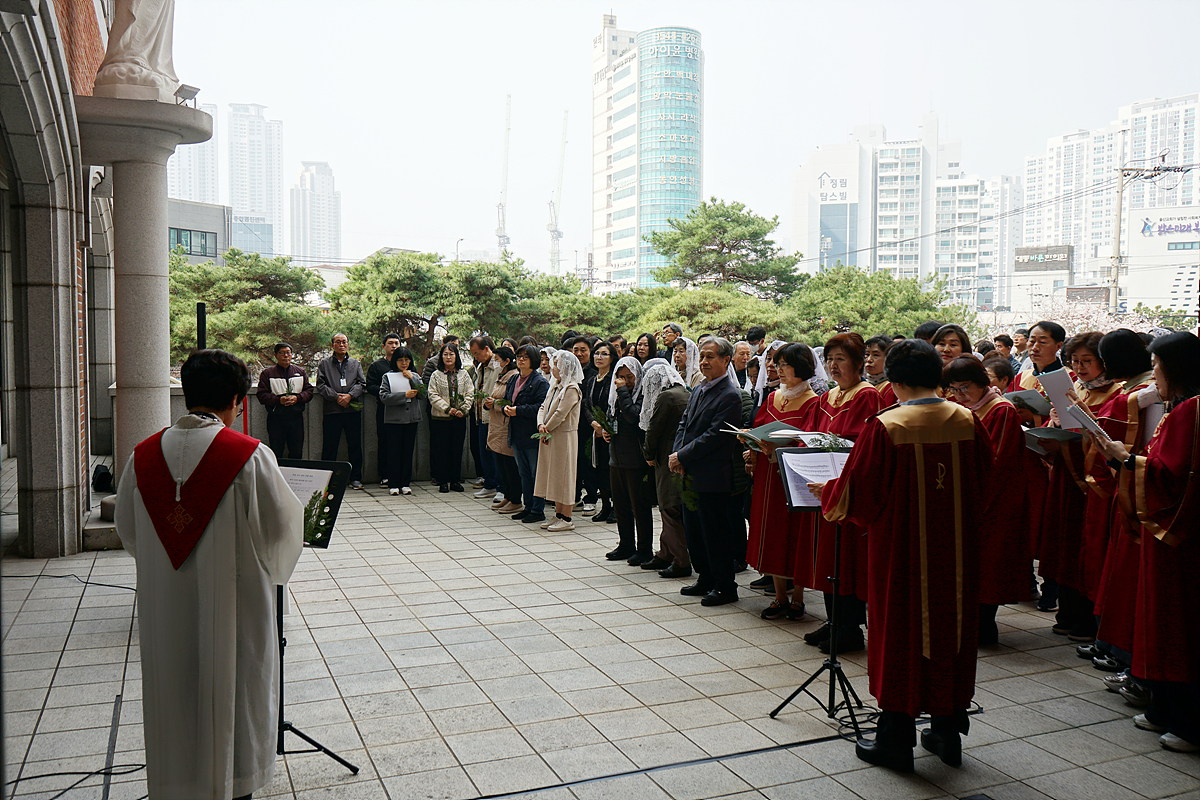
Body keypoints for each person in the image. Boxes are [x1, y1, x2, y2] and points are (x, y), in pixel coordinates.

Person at [114, 349, 303, 800]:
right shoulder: (250, 456)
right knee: (234, 694)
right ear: (236, 400)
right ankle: (234, 784)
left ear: (187, 395)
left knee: (174, 694)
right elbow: (282, 532)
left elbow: (128, 531)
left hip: (166, 607)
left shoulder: (142, 457)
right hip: (235, 609)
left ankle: (177, 782)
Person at [816, 339, 994, 772]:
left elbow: (860, 493)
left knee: (900, 635)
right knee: (951, 632)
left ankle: (895, 740)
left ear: (893, 380)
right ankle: (947, 732)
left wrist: (829, 492)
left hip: (902, 557)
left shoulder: (888, 425)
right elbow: (988, 482)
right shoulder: (967, 420)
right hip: (957, 553)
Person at [1088, 331, 1200, 753]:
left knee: (1175, 623)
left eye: (1157, 367)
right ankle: (1164, 708)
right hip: (1168, 533)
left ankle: (1185, 721)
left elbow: (1171, 476)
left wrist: (1126, 459)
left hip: (1176, 535)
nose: (1154, 375)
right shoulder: (1182, 408)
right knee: (1161, 620)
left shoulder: (1190, 410)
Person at [1036, 329, 1120, 642]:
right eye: (1074, 361)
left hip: (1092, 486)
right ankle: (1067, 613)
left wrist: (1076, 430)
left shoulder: (1116, 394)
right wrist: (1054, 423)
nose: (1080, 367)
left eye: (1087, 361)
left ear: (1104, 362)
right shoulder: (1076, 389)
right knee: (1064, 547)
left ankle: (1086, 619)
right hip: (1066, 478)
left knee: (1087, 548)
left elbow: (1106, 440)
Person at [801, 333, 882, 654]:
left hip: (848, 489)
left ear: (858, 363)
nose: (833, 365)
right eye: (829, 359)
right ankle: (834, 620)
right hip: (823, 488)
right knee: (828, 557)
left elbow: (866, 444)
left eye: (841, 359)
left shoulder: (868, 396)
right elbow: (809, 433)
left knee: (847, 558)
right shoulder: (827, 397)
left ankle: (849, 628)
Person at [942, 355, 1031, 645]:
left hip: (994, 499)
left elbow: (996, 459)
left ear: (982, 382)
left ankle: (984, 626)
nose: (959, 395)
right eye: (954, 389)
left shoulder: (1001, 410)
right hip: (967, 494)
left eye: (965, 387)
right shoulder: (962, 407)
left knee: (989, 563)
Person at [1083, 330, 1155, 672]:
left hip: (1137, 493)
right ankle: (1110, 643)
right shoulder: (1137, 390)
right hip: (1125, 488)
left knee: (1127, 576)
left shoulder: (1147, 391)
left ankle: (1122, 652)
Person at [745, 343, 820, 620]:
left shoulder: (814, 402)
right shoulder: (773, 397)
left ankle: (797, 597)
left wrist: (781, 449)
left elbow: (811, 440)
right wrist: (752, 443)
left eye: (785, 364)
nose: (779, 369)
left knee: (794, 534)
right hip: (767, 475)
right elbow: (759, 428)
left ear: (801, 367)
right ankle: (778, 596)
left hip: (793, 476)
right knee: (771, 531)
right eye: (778, 364)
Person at [671, 338, 745, 606]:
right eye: (702, 356)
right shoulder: (700, 388)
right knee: (694, 531)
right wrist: (677, 454)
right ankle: (705, 577)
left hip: (713, 474)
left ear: (726, 360)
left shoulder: (730, 394)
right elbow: (684, 424)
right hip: (690, 471)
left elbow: (715, 436)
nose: (704, 362)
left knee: (715, 533)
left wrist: (683, 455)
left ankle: (725, 585)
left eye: (710, 356)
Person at [640, 359, 692, 578]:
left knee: (669, 508)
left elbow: (654, 428)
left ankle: (680, 560)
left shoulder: (666, 396)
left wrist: (648, 454)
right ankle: (665, 553)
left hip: (666, 456)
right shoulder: (685, 392)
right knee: (673, 506)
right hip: (682, 454)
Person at [604, 356, 655, 562]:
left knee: (639, 506)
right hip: (616, 457)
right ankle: (625, 544)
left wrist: (623, 391)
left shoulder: (643, 394)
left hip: (636, 459)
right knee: (620, 505)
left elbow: (633, 417)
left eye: (629, 377)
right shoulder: (616, 395)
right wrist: (607, 430)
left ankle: (644, 549)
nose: (625, 381)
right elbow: (612, 417)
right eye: (621, 377)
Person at [532, 350, 584, 531]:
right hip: (549, 434)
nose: (553, 367)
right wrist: (540, 425)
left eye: (556, 364)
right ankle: (558, 514)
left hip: (564, 437)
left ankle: (567, 517)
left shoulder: (572, 388)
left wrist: (547, 428)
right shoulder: (554, 385)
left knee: (564, 476)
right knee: (553, 475)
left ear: (565, 368)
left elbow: (561, 413)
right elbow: (543, 407)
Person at [505, 344, 550, 524]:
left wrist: (518, 410)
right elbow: (508, 400)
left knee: (535, 473)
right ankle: (528, 506)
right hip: (516, 433)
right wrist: (506, 408)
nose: (521, 359)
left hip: (532, 434)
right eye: (519, 356)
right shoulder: (513, 379)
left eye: (525, 356)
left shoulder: (540, 382)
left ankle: (538, 509)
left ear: (534, 360)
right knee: (523, 473)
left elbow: (541, 408)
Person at [316, 332, 366, 489]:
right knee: (330, 446)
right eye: (338, 342)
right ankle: (327, 479)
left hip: (352, 411)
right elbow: (321, 385)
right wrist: (337, 397)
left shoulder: (355, 363)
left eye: (344, 342)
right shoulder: (324, 364)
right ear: (332, 345)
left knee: (355, 446)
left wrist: (350, 396)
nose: (341, 345)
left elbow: (362, 384)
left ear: (348, 345)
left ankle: (355, 478)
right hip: (332, 411)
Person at [377, 345, 423, 496]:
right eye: (400, 360)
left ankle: (405, 483)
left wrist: (412, 379)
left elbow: (423, 394)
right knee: (394, 452)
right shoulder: (387, 376)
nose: (404, 363)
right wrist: (404, 395)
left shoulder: (414, 375)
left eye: (407, 360)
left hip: (411, 419)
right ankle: (394, 483)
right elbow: (384, 397)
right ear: (395, 361)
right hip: (394, 420)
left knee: (408, 452)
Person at [255, 342, 313, 460]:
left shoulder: (300, 372)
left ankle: (295, 472)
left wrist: (297, 398)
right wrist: (278, 400)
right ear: (275, 355)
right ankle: (277, 472)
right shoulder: (268, 373)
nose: (286, 356)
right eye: (282, 353)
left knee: (296, 450)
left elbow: (309, 391)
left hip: (296, 417)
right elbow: (261, 395)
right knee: (276, 451)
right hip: (276, 418)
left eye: (288, 353)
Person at [428, 342, 472, 493]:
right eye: (445, 354)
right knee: (441, 450)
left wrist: (463, 409)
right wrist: (448, 409)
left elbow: (470, 393)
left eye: (451, 354)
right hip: (440, 419)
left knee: (457, 449)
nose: (448, 357)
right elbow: (432, 395)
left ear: (456, 356)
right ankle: (443, 481)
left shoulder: (464, 374)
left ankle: (455, 480)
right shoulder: (436, 375)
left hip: (459, 419)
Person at [582, 341, 617, 522]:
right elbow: (587, 405)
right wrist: (594, 424)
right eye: (597, 353)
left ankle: (617, 508)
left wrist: (606, 427)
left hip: (612, 433)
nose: (599, 357)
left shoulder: (614, 379)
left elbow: (615, 406)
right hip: (596, 432)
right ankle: (605, 506)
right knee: (600, 470)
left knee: (612, 471)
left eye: (604, 354)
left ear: (612, 358)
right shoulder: (591, 380)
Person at [486, 347, 522, 514]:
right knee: (501, 465)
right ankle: (507, 496)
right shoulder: (501, 376)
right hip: (497, 425)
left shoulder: (513, 377)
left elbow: (510, 401)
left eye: (497, 359)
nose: (495, 363)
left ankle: (515, 500)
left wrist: (494, 403)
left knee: (510, 466)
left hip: (506, 426)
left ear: (507, 361)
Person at [1011, 320, 1068, 426]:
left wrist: (1034, 418)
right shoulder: (1020, 378)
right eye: (1032, 341)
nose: (1035, 348)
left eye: (1042, 342)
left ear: (1058, 346)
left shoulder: (1069, 378)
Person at [468, 336, 503, 500]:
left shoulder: (497, 365)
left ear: (487, 349)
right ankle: (489, 484)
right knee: (484, 453)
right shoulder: (480, 366)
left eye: (477, 353)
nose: (475, 357)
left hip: (494, 416)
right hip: (480, 415)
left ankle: (500, 487)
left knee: (496, 454)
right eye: (473, 354)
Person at [365, 333, 401, 485]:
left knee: (402, 443)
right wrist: (386, 392)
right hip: (384, 408)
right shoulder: (377, 365)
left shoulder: (405, 363)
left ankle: (401, 475)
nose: (394, 346)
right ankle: (385, 474)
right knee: (385, 442)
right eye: (390, 343)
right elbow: (370, 386)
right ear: (383, 346)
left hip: (403, 409)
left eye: (396, 343)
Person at [864, 335, 896, 407]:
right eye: (867, 354)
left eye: (876, 355)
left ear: (888, 358)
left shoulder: (892, 389)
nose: (869, 360)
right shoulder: (863, 384)